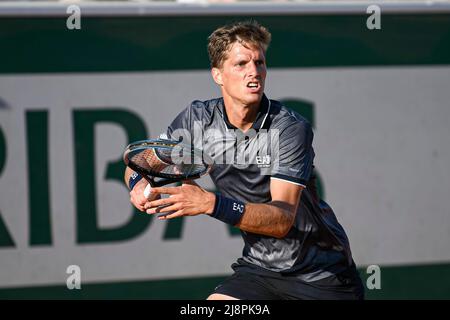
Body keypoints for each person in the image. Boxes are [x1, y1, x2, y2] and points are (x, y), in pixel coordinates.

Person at [124, 20, 364, 300]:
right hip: (260, 272)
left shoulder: (288, 128)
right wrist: (137, 185)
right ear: (218, 75)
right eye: (241, 64)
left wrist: (210, 203)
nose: (254, 72)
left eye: (259, 63)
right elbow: (137, 162)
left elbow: (282, 220)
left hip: (323, 277)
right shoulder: (196, 120)